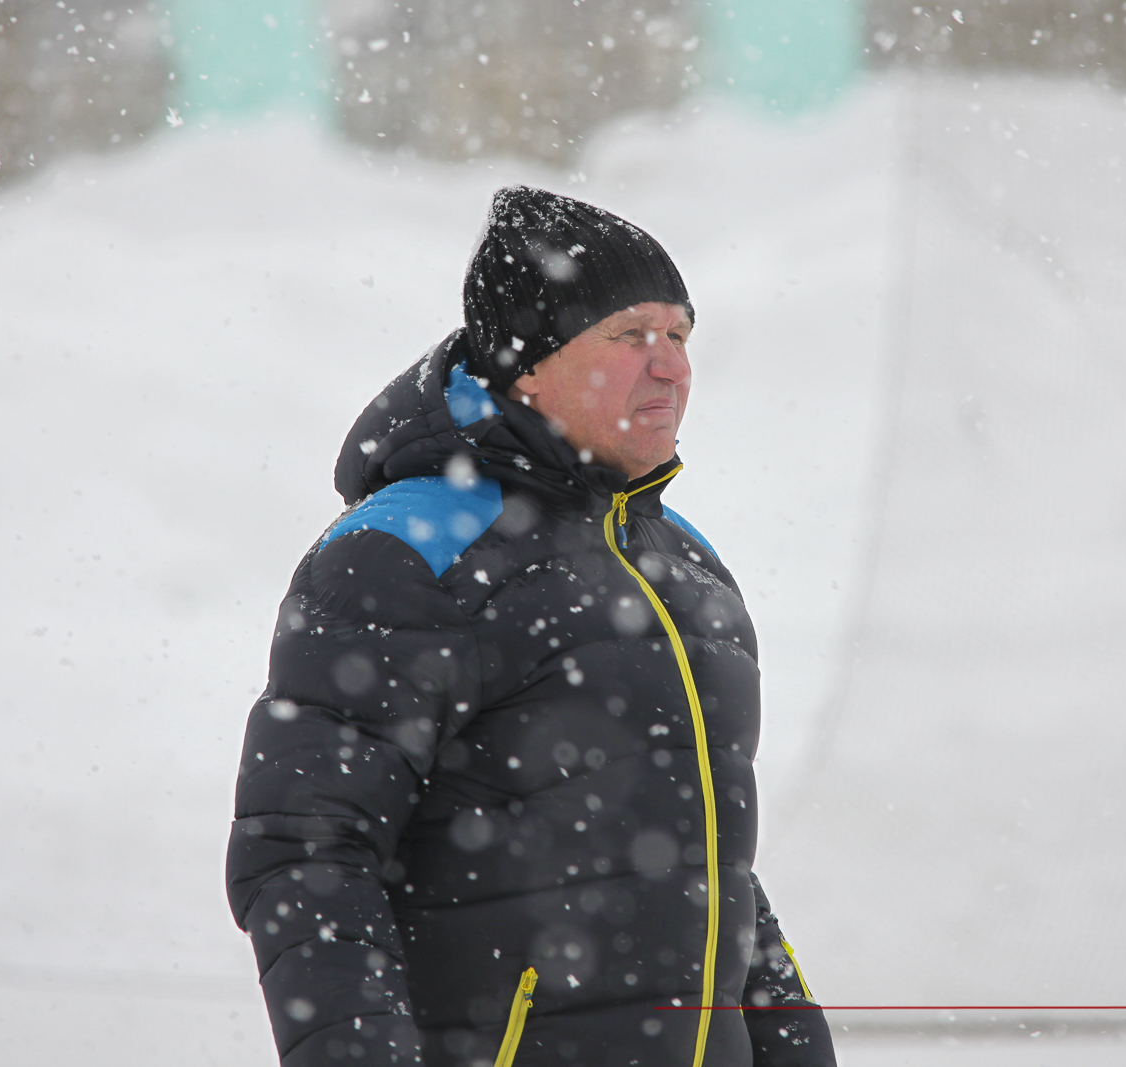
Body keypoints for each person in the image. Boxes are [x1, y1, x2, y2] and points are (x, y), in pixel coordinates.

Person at [226, 186, 836, 1067]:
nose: (671, 367)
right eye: (631, 335)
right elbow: (307, 853)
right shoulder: (409, 549)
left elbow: (706, 862)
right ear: (527, 367)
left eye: (680, 335)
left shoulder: (682, 561)